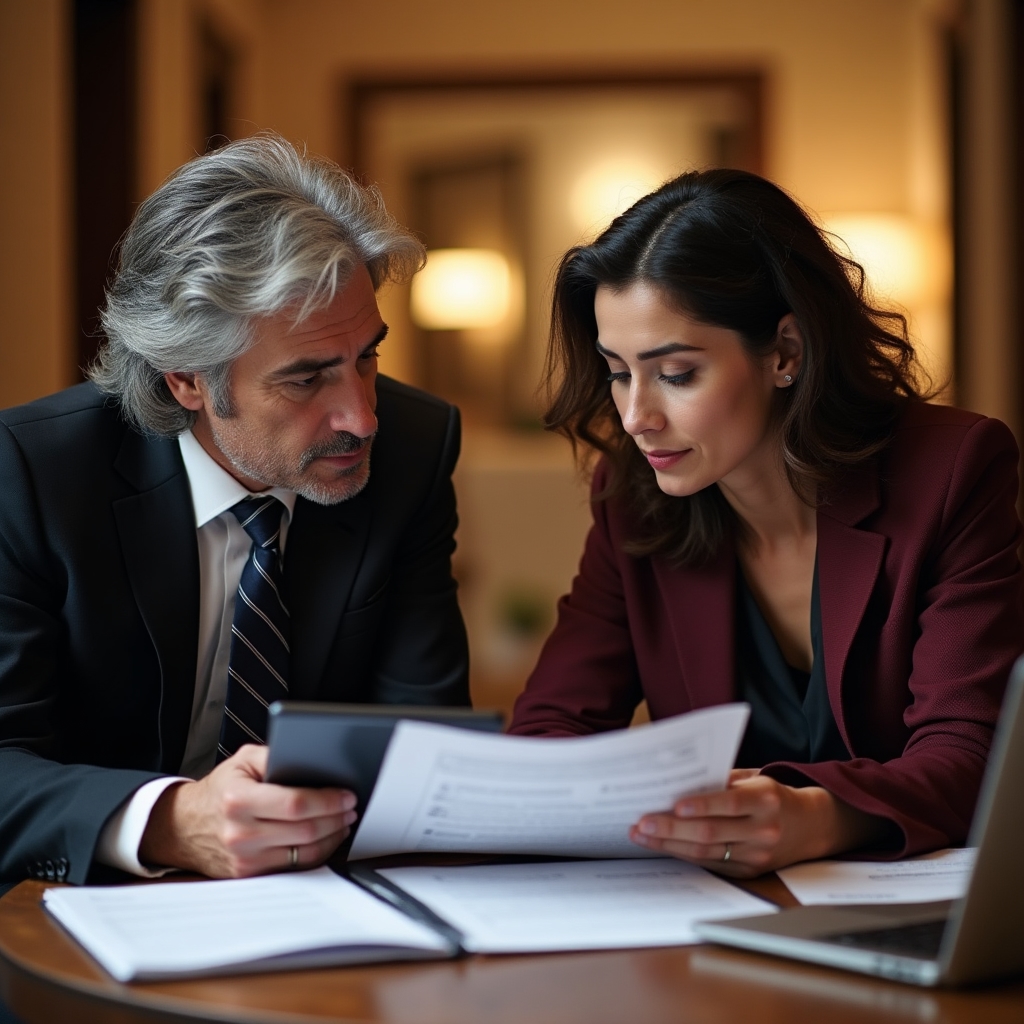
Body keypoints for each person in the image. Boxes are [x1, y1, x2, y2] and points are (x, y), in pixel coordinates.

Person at [509, 168, 1023, 877]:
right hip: (708, 910)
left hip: (908, 908)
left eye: (676, 374)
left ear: (785, 352)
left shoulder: (951, 471)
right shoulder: (631, 496)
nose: (634, 418)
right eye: (619, 372)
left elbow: (971, 758)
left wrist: (817, 816)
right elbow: (550, 729)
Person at [0, 134, 469, 886]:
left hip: (324, 895)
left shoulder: (413, 450)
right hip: (90, 905)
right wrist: (169, 821)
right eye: (306, 379)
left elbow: (426, 739)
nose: (362, 417)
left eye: (367, 357)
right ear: (186, 380)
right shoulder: (31, 474)